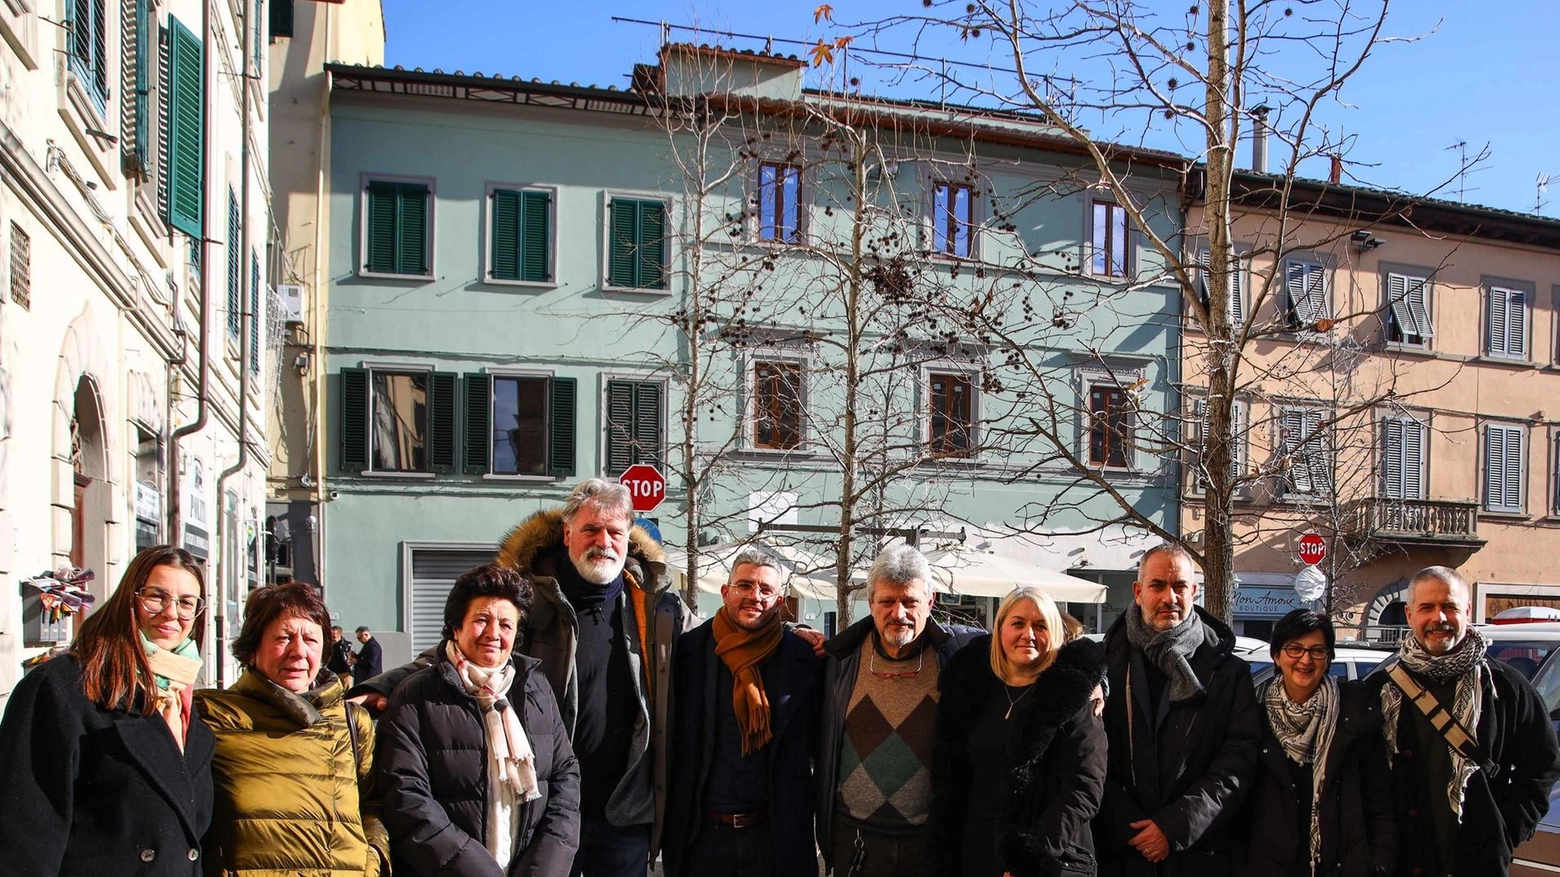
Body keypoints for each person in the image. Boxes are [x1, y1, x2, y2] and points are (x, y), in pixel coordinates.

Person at [355, 478, 689, 877]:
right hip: (544, 807)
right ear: (568, 533)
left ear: (627, 536)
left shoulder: (655, 607)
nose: (604, 541)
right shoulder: (530, 597)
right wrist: (383, 685)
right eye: (590, 529)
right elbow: (463, 649)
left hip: (623, 810)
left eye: (614, 531)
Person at [0, 545, 215, 876]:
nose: (172, 613)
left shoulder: (182, 699)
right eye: (156, 597)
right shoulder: (64, 687)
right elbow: (25, 833)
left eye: (186, 603)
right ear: (130, 599)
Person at [377, 563, 581, 876]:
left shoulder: (535, 688)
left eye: (506, 624)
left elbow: (565, 776)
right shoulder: (417, 695)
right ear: (456, 627)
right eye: (481, 620)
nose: (494, 634)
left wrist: (543, 868)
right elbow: (406, 797)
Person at [1365, 566, 1560, 876]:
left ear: (1467, 611)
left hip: (1476, 864)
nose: (1438, 618)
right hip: (1399, 862)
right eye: (1427, 607)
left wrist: (1505, 832)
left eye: (1449, 606)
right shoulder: (1379, 689)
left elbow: (1543, 765)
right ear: (1409, 613)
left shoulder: (1504, 687)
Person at [195, 583, 388, 875]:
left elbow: (373, 805)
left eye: (311, 639)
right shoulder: (212, 715)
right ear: (252, 649)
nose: (298, 652)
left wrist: (372, 863)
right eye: (284, 637)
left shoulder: (351, 721)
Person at [816, 544, 983, 876]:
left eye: (910, 601)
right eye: (887, 602)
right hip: (856, 839)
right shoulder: (840, 659)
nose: (899, 613)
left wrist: (1094, 681)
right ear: (871, 603)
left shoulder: (963, 656)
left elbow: (1036, 654)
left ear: (930, 602)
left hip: (930, 840)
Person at [1095, 542, 1259, 877]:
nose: (1169, 597)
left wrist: (1174, 827)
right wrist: (1129, 827)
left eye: (1179, 586)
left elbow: (1238, 761)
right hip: (1120, 854)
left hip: (1199, 854)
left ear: (1194, 591)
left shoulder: (1227, 672)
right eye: (1158, 586)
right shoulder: (1102, 666)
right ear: (1138, 591)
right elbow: (1089, 756)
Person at [663, 548, 824, 877]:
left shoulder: (803, 658)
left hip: (775, 838)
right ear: (726, 592)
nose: (755, 596)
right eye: (745, 586)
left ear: (780, 601)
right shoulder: (690, 651)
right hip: (703, 835)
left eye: (766, 590)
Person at [927, 586, 1108, 877]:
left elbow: (1084, 788)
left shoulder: (1074, 699)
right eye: (1018, 624)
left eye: (1040, 625)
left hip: (1048, 859)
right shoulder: (975, 690)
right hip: (976, 852)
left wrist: (1030, 856)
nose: (1029, 634)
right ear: (999, 631)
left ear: (1056, 634)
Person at [1239, 609, 1395, 877]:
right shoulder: (1255, 719)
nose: (1305, 659)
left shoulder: (1355, 717)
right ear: (1277, 656)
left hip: (1342, 865)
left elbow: (1380, 801)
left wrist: (1379, 865)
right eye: (1295, 649)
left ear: (1329, 658)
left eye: (1317, 650)